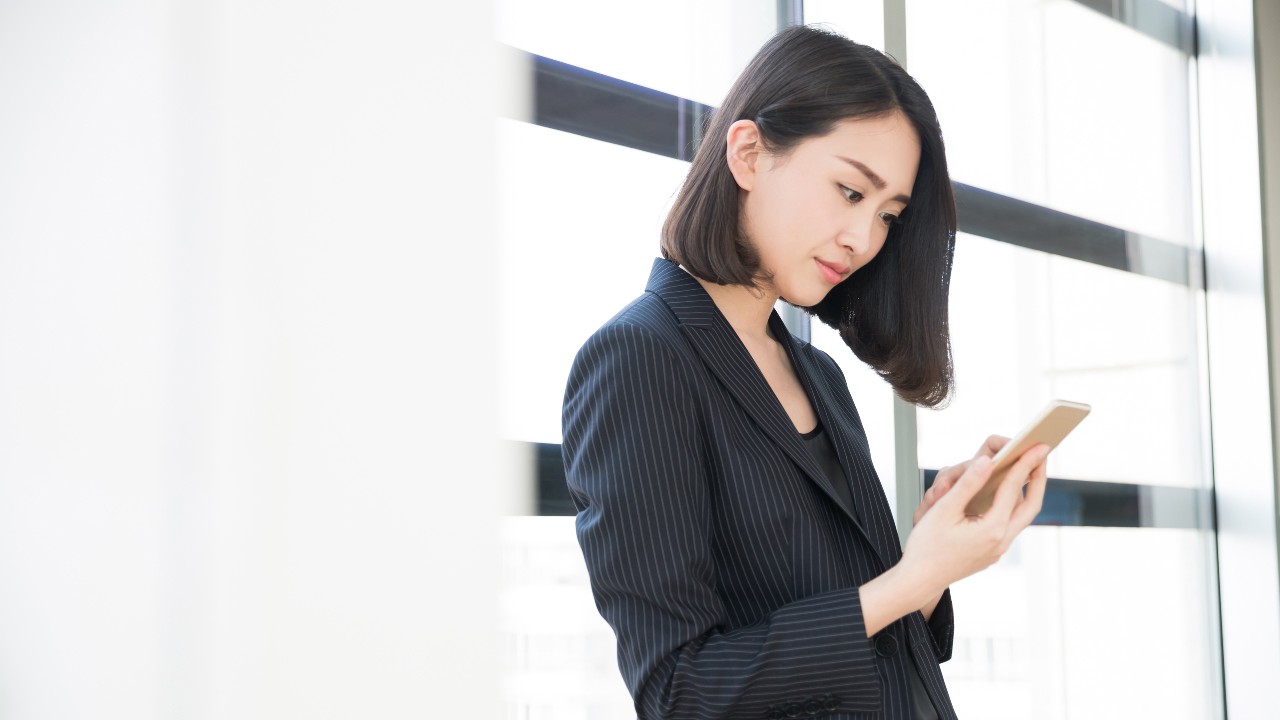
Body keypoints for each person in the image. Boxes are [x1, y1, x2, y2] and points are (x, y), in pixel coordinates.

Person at [560, 25, 1049, 720]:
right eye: (851, 192)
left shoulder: (820, 376)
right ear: (750, 153)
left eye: (888, 215)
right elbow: (680, 692)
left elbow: (871, 635)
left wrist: (936, 557)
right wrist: (913, 578)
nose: (865, 239)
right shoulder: (638, 359)